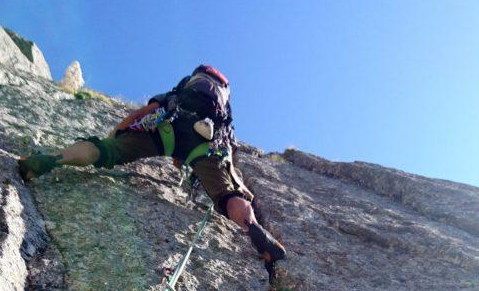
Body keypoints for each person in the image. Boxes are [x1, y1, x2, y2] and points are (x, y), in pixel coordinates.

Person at [19, 65, 286, 268]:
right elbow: (227, 152)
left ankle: (48, 161)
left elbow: (142, 115)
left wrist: (116, 137)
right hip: (205, 143)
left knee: (105, 150)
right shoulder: (223, 113)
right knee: (229, 196)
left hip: (168, 127)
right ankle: (255, 231)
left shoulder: (179, 94)